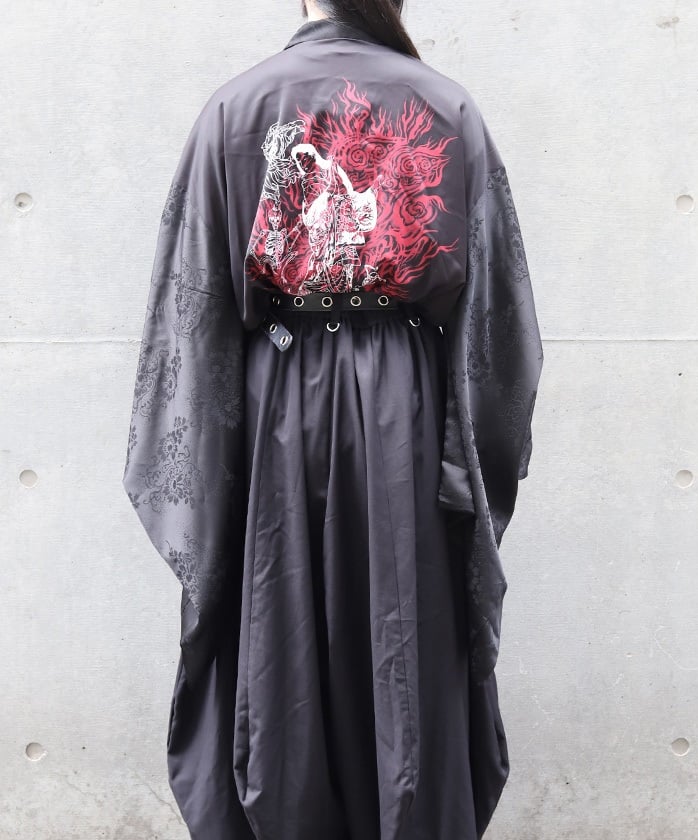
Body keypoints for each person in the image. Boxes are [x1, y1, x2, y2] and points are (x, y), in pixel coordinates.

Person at [121, 1, 544, 838]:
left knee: (277, 620)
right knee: (405, 622)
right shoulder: (445, 106)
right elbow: (498, 325)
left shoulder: (236, 109)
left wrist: (213, 471)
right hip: (403, 407)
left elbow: (193, 309)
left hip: (277, 396)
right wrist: (467, 458)